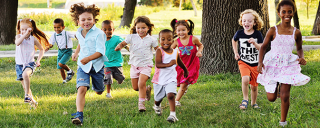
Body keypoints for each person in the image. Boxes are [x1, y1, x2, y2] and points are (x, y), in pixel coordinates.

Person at [257, 0, 310, 127]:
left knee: (285, 95)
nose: (287, 14)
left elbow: (299, 48)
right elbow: (263, 47)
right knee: (271, 98)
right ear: (279, 13)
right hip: (272, 63)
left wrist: (301, 57)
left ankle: (283, 121)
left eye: (290, 11)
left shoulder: (296, 32)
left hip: (288, 64)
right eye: (284, 12)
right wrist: (260, 63)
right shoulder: (273, 30)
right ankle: (277, 87)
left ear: (293, 12)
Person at [69, 3, 107, 125]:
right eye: (83, 19)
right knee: (82, 88)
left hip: (97, 66)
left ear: (94, 20)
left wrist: (89, 58)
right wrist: (76, 53)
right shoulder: (79, 32)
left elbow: (101, 52)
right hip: (83, 66)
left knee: (99, 91)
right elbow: (81, 42)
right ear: (78, 21)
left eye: (89, 19)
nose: (87, 22)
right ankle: (79, 115)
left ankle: (100, 86)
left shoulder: (99, 34)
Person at [115, 16, 159, 112]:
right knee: (136, 87)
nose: (141, 30)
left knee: (141, 83)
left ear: (148, 28)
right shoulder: (132, 37)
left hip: (146, 65)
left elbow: (158, 50)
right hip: (134, 65)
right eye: (138, 28)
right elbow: (123, 43)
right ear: (135, 28)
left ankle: (141, 104)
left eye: (143, 28)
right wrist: (119, 46)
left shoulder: (151, 39)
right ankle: (146, 90)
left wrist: (163, 58)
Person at [152, 29, 188, 123]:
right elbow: (158, 64)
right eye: (163, 39)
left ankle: (172, 115)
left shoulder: (175, 52)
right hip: (159, 79)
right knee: (158, 98)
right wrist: (168, 64)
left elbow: (179, 62)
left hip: (171, 78)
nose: (166, 42)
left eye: (169, 39)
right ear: (159, 40)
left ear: (172, 41)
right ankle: (156, 106)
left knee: (170, 95)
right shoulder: (159, 51)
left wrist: (185, 70)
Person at [232, 9, 264, 110]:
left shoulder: (257, 34)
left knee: (254, 87)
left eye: (249, 21)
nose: (246, 23)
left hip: (255, 63)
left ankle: (254, 103)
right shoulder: (239, 33)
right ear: (241, 21)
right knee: (245, 79)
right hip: (243, 62)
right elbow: (234, 40)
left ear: (255, 22)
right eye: (244, 20)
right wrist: (236, 53)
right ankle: (245, 99)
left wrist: (254, 43)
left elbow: (261, 48)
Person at [15, 18, 51, 108]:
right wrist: (24, 34)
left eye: (26, 29)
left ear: (31, 29)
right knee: (25, 86)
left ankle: (27, 95)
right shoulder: (19, 37)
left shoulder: (33, 39)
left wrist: (38, 60)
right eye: (22, 29)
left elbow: (42, 49)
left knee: (25, 75)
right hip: (19, 65)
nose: (23, 31)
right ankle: (33, 102)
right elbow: (17, 43)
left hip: (30, 63)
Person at [170, 19, 203, 106]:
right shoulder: (176, 41)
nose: (181, 32)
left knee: (183, 82)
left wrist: (199, 51)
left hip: (192, 64)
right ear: (176, 31)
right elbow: (170, 50)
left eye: (183, 30)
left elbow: (200, 45)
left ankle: (176, 101)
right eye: (179, 30)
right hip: (181, 64)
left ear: (188, 30)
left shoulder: (193, 39)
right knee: (180, 81)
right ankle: (184, 87)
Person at [101, 20, 126, 98]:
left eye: (109, 29)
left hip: (117, 63)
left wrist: (129, 49)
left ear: (113, 30)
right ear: (101, 30)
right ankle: (108, 93)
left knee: (120, 79)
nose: (107, 31)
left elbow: (125, 44)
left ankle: (117, 77)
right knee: (108, 77)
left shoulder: (117, 39)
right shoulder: (100, 40)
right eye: (105, 29)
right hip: (106, 64)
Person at [48, 18, 75, 83]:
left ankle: (70, 71)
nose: (56, 29)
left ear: (63, 27)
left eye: (58, 27)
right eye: (55, 27)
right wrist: (48, 47)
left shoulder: (67, 33)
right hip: (60, 51)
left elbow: (75, 36)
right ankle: (64, 80)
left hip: (67, 51)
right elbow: (51, 43)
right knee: (60, 68)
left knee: (61, 64)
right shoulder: (54, 35)